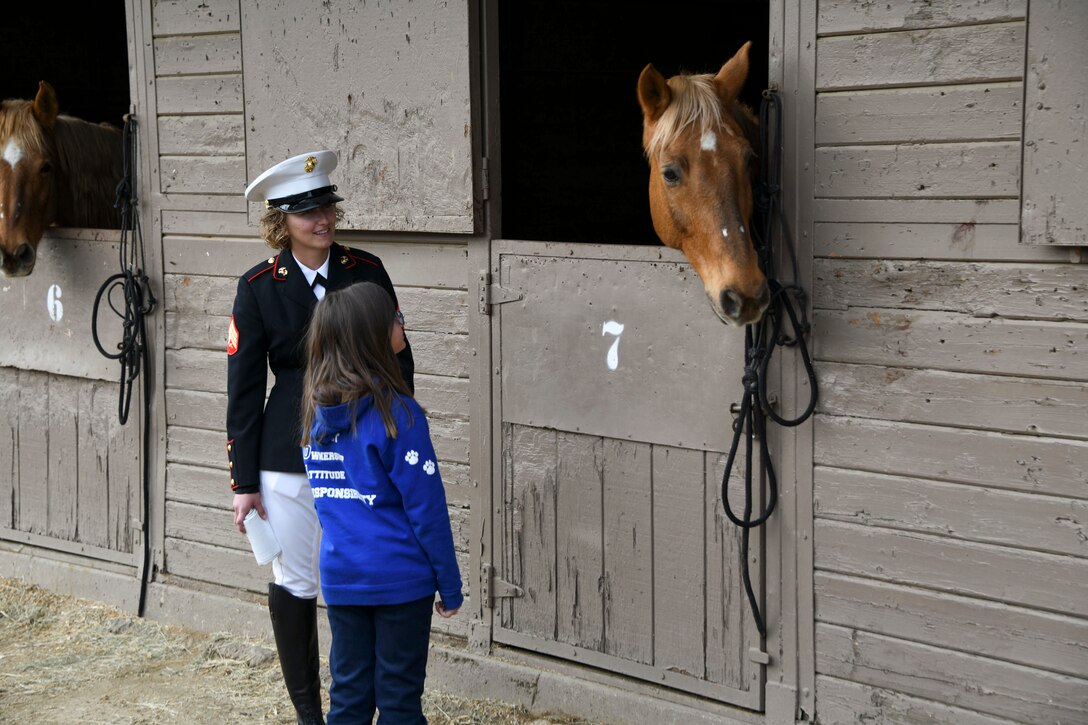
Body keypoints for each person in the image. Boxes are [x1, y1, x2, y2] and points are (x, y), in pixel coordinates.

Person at [227, 150, 414, 725]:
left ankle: (369, 705)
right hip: (288, 455)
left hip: (364, 451)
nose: (323, 220)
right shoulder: (258, 287)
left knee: (366, 573)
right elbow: (242, 389)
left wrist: (401, 441)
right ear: (281, 220)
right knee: (297, 581)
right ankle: (312, 714)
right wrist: (244, 481)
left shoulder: (367, 270)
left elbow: (400, 363)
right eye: (307, 211)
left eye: (327, 206)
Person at [301, 281, 462, 724]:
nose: (402, 323)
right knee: (398, 702)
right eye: (396, 317)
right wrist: (449, 585)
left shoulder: (315, 417)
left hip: (342, 578)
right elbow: (427, 511)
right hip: (400, 581)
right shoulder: (400, 416)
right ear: (373, 335)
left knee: (349, 699)